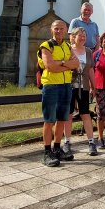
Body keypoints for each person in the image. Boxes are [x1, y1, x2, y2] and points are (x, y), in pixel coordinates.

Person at [39, 20, 80, 167]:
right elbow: (49, 66)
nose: (59, 31)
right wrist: (66, 64)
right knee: (49, 120)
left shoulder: (68, 46)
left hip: (65, 86)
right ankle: (46, 152)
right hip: (51, 85)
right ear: (51, 30)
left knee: (62, 119)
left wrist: (60, 63)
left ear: (66, 30)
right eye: (56, 28)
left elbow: (76, 65)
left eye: (62, 28)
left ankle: (57, 148)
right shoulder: (46, 46)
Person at [64, 27, 98, 156]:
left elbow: (90, 70)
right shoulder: (68, 49)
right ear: (73, 37)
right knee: (69, 114)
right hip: (69, 86)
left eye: (84, 36)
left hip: (83, 87)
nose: (83, 38)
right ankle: (67, 142)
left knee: (85, 113)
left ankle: (91, 142)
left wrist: (94, 87)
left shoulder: (88, 51)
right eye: (80, 36)